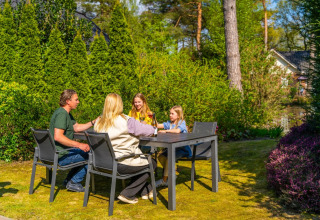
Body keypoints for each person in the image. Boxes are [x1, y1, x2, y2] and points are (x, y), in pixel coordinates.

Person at [94, 93, 157, 204]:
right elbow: (149, 130)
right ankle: (127, 193)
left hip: (102, 163)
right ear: (119, 105)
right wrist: (154, 129)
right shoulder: (127, 121)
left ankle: (145, 190)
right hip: (123, 162)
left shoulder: (98, 121)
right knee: (152, 163)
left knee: (141, 166)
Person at [49, 89, 99, 192]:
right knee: (91, 154)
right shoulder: (62, 114)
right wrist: (79, 145)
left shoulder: (65, 113)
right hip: (61, 155)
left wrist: (93, 122)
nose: (78, 102)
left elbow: (76, 128)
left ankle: (69, 181)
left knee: (87, 152)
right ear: (68, 101)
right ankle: (74, 182)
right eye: (76, 100)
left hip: (59, 153)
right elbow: (58, 136)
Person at [155, 105, 192, 188]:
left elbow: (177, 131)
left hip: (183, 149)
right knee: (160, 156)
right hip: (172, 148)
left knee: (169, 158)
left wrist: (165, 131)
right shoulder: (169, 123)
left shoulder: (181, 122)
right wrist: (152, 118)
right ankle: (172, 174)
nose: (170, 115)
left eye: (172, 114)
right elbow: (157, 125)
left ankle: (164, 181)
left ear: (178, 115)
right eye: (170, 113)